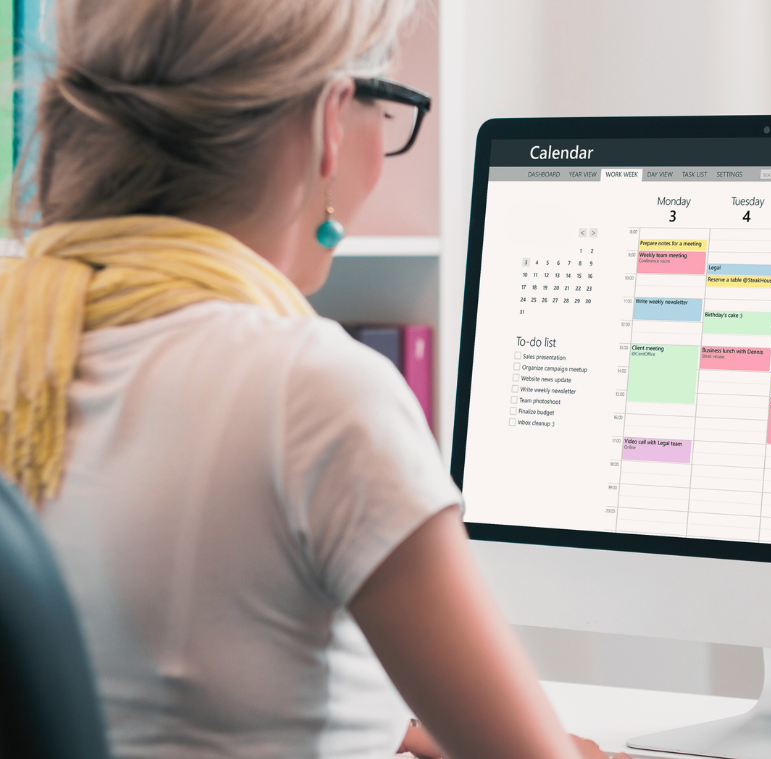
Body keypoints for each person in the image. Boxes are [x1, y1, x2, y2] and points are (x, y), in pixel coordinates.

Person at [0, 0, 629, 757]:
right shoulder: (313, 390)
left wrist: (382, 727)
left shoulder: (26, 337)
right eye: (388, 106)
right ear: (333, 119)